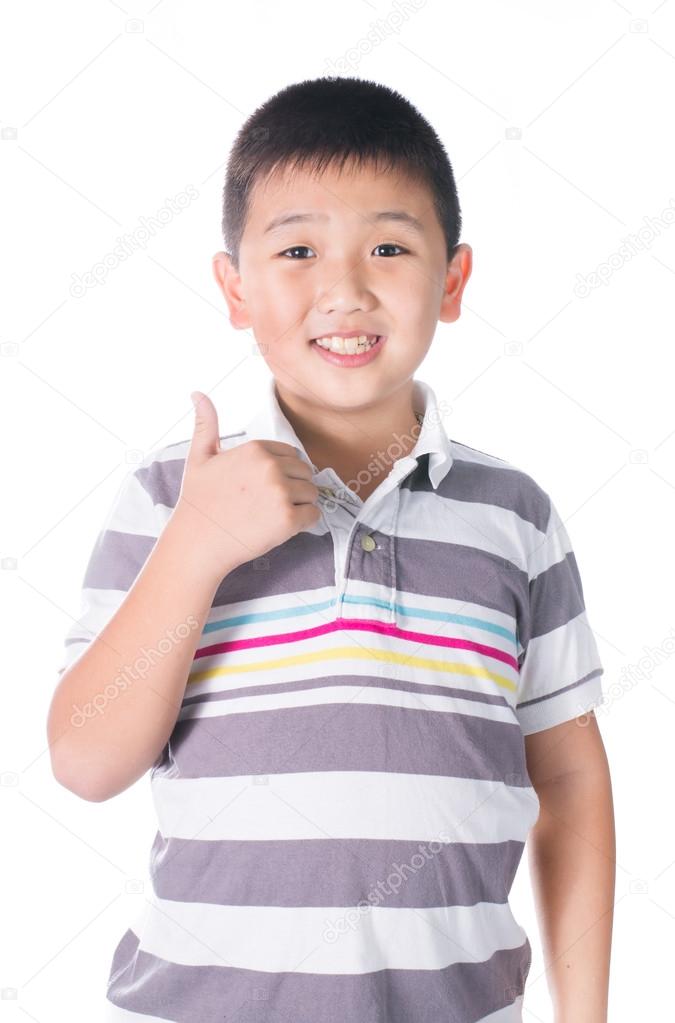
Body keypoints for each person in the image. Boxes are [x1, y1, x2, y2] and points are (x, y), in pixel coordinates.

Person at [48, 76, 615, 1022]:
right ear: (235, 286)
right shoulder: (168, 498)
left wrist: (586, 1014)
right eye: (298, 249)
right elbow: (84, 761)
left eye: (388, 247)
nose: (344, 290)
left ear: (452, 280)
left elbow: (568, 773)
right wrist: (197, 547)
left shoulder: (514, 515)